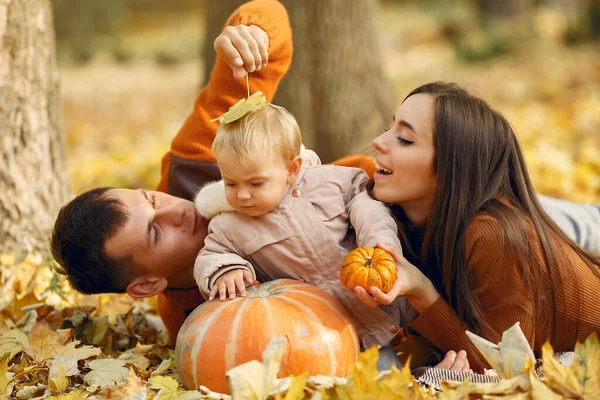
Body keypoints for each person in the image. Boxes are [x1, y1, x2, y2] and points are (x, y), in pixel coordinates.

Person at [50, 0, 598, 372]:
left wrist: (247, 32)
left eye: (152, 200)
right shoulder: (200, 316)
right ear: (146, 286)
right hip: (427, 286)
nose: (175, 210)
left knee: (547, 231)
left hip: (416, 200)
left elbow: (271, 29)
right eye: (155, 234)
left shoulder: (193, 162)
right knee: (522, 307)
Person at [351, 81, 600, 372]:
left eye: (405, 139)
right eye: (389, 128)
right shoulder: (397, 216)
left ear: (449, 169)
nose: (380, 142)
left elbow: (509, 367)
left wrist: (420, 290)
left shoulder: (493, 234)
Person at [193, 100, 418, 369]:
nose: (242, 195)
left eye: (256, 183)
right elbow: (212, 253)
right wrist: (224, 270)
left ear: (291, 169)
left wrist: (377, 243)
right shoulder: (230, 225)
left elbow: (367, 202)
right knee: (385, 382)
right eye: (230, 183)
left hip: (388, 299)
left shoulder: (331, 182)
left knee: (436, 348)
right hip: (325, 335)